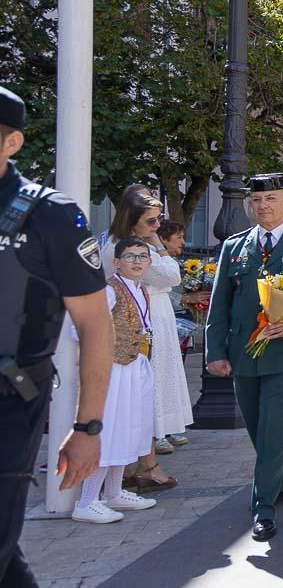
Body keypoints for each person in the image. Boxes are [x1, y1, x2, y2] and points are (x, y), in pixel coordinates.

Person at [0, 87, 113, 588]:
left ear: (13, 142)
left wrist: (87, 426)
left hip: (9, 404)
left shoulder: (48, 216)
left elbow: (95, 323)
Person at [205, 173, 283, 541]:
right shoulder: (234, 246)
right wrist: (215, 352)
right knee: (256, 424)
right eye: (257, 201)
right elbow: (220, 306)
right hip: (242, 352)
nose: (263, 206)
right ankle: (281, 478)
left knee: (272, 423)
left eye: (271, 199)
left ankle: (262, 507)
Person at [72, 238, 159, 523]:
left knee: (128, 429)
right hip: (114, 368)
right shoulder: (110, 290)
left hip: (135, 364)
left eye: (142, 256)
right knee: (109, 431)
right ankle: (86, 501)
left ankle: (113, 493)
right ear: (116, 261)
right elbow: (81, 327)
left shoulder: (141, 289)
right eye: (130, 256)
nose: (136, 261)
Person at [103, 193, 186, 483]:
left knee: (149, 392)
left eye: (158, 219)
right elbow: (171, 275)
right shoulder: (129, 248)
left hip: (153, 319)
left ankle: (136, 466)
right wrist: (159, 247)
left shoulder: (138, 245)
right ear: (132, 220)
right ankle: (142, 467)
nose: (157, 225)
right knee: (142, 394)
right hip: (136, 325)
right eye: (151, 220)